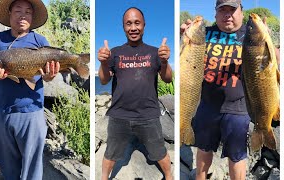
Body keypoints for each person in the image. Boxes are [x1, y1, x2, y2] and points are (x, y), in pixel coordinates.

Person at [180, 0, 280, 180]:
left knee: (236, 157)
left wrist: (269, 42)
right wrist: (182, 36)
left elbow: (275, 61)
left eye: (232, 10)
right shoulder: (205, 34)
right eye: (222, 10)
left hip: (239, 107)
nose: (228, 15)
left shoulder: (249, 34)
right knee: (203, 151)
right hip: (207, 105)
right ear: (216, 14)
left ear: (241, 12)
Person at [0, 0, 60, 179]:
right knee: (7, 167)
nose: (23, 15)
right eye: (18, 10)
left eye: (28, 12)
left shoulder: (40, 41)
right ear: (9, 13)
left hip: (32, 113)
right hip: (3, 112)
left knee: (32, 168)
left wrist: (49, 77)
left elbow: (47, 75)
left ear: (32, 17)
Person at [97, 7, 173, 180]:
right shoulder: (115, 53)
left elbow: (167, 79)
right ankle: (103, 177)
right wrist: (103, 63)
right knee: (110, 152)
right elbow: (103, 80)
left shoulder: (155, 52)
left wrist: (164, 61)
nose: (133, 27)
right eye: (128, 24)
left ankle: (169, 175)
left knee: (159, 151)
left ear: (144, 26)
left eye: (137, 23)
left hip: (148, 115)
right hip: (119, 115)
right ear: (123, 27)